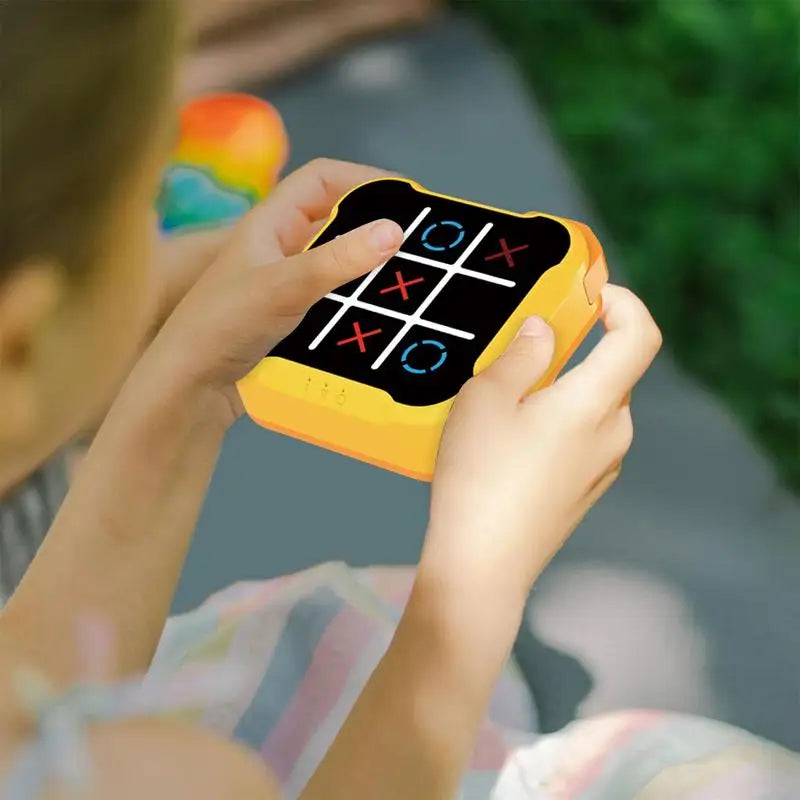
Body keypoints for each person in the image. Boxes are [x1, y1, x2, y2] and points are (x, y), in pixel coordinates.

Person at [1, 3, 796, 799]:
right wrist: (472, 587)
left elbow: (45, 676)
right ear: (21, 345)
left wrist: (188, 388)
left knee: (345, 625)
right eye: (147, 196)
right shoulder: (156, 778)